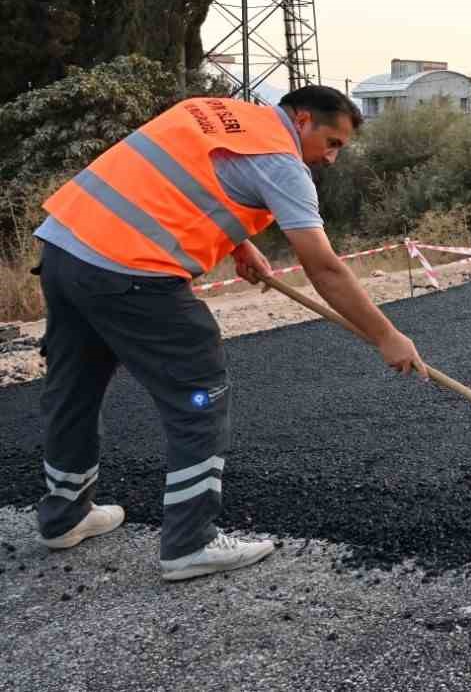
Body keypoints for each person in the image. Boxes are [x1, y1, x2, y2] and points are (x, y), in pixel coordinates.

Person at [32, 86, 426, 582]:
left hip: (65, 248)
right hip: (130, 273)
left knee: (74, 388)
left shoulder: (213, 112)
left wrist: (239, 242)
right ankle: (190, 542)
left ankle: (63, 517)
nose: (331, 156)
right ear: (302, 120)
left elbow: (180, 180)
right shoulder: (281, 163)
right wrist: (386, 335)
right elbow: (324, 267)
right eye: (332, 142)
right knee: (200, 388)